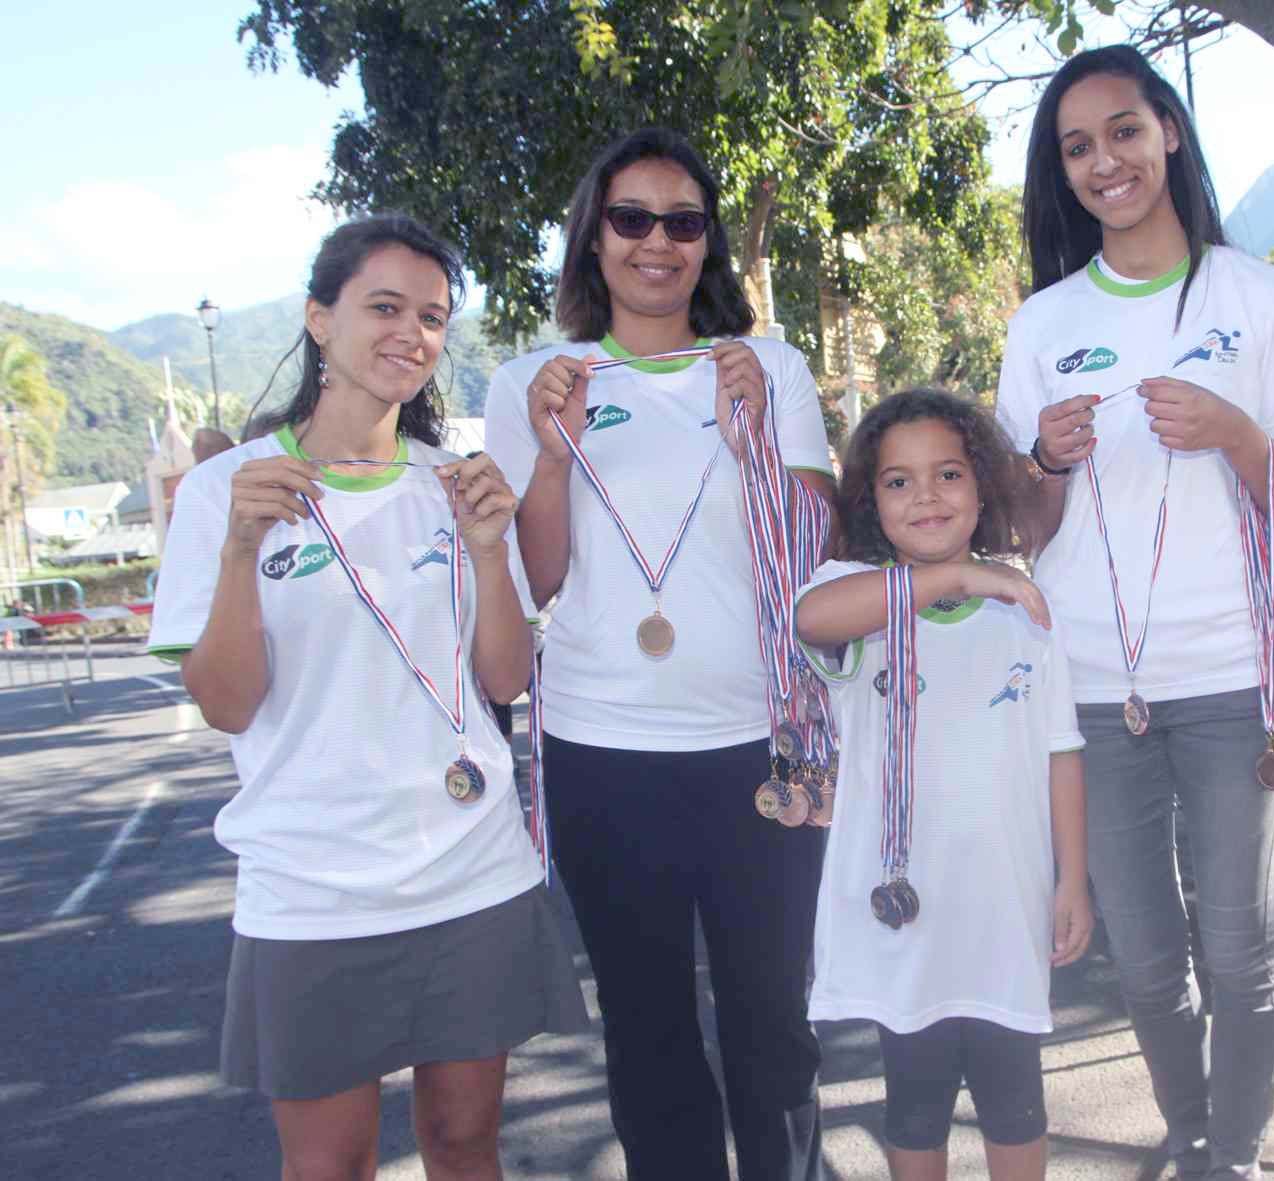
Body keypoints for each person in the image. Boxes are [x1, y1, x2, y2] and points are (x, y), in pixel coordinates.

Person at [146, 214, 590, 1179]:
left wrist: (487, 550)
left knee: (466, 1142)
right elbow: (226, 703)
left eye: (432, 317)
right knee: (329, 1166)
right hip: (313, 890)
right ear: (319, 318)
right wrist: (235, 552)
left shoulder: (462, 484)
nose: (411, 335)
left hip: (471, 871)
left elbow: (505, 680)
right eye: (384, 307)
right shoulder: (228, 490)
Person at [997, 45, 1274, 1181]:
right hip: (1091, 685)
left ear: (1170, 134)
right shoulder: (1042, 321)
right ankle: (1190, 1124)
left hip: (1236, 677)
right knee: (1145, 959)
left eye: (1124, 132)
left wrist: (1238, 433)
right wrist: (1042, 457)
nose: (1106, 162)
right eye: (1077, 147)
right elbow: (1025, 526)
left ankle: (1226, 1154)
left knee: (1239, 946)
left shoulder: (1262, 298)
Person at [483, 127, 836, 1180]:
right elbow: (535, 578)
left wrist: (757, 435)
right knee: (647, 1033)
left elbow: (813, 553)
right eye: (630, 218)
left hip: (759, 746)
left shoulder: (766, 366)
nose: (656, 242)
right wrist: (552, 456)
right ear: (593, 237)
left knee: (774, 1027)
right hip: (603, 748)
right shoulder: (532, 381)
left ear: (706, 243)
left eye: (682, 221)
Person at [795, 388, 1092, 1180]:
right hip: (906, 913)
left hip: (1005, 901)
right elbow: (811, 619)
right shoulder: (857, 601)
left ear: (985, 486)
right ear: (870, 500)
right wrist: (964, 575)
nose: (925, 494)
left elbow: (1062, 749)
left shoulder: (1024, 610)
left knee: (1014, 1094)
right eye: (898, 481)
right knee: (916, 1102)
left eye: (949, 473)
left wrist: (1074, 878)